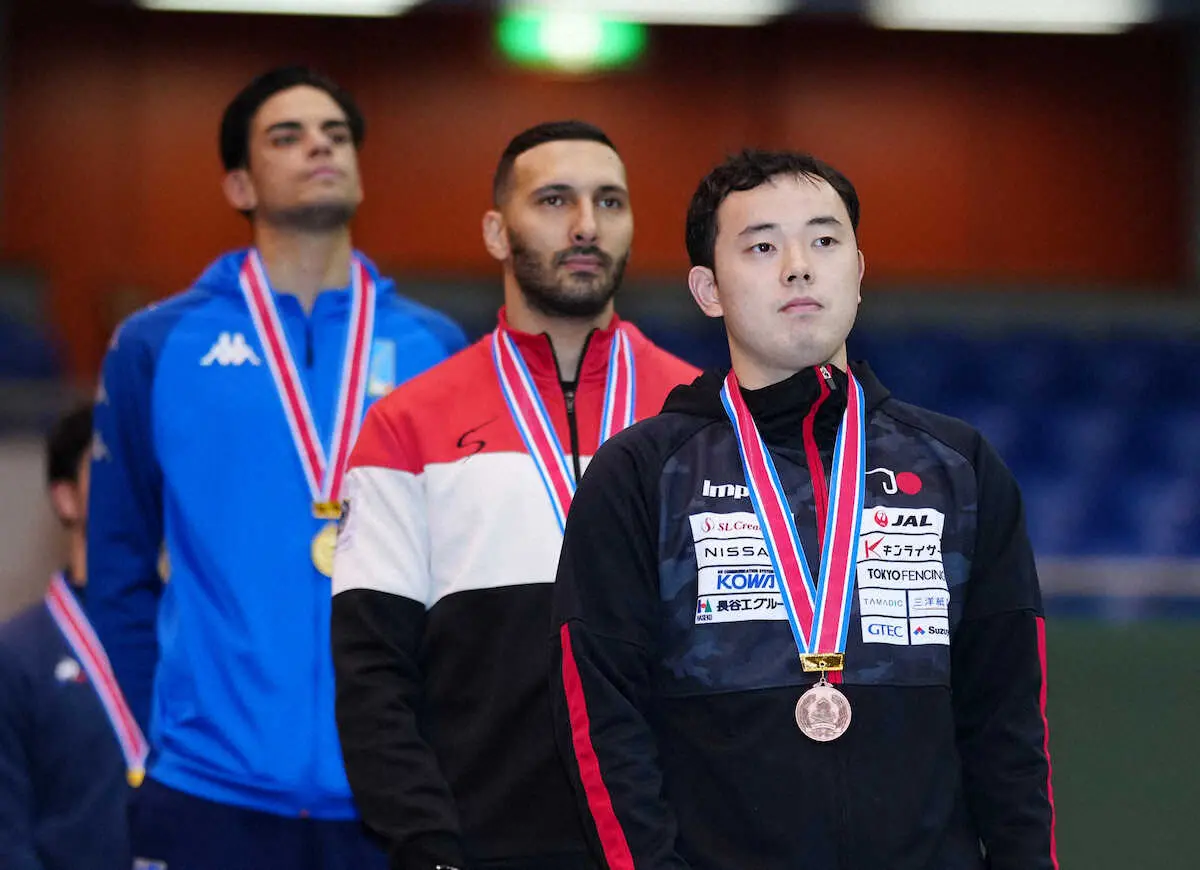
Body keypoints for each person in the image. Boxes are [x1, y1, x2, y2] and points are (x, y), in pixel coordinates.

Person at [551, 149, 1057, 870]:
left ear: (858, 269)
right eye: (761, 246)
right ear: (709, 288)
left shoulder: (959, 468)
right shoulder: (640, 474)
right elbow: (603, 725)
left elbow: (1010, 728)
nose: (798, 265)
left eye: (824, 240)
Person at [87, 66, 467, 870]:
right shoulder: (158, 346)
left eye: (335, 133)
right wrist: (159, 737)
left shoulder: (437, 349)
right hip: (207, 791)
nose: (319, 146)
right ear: (238, 182)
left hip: (390, 793)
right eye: (285, 136)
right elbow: (116, 567)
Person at [330, 120, 699, 870]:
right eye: (555, 200)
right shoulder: (406, 424)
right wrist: (427, 843)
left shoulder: (702, 415)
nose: (587, 225)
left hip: (675, 846)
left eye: (610, 202)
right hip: (482, 845)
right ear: (498, 232)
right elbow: (373, 671)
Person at [0, 405, 135, 870]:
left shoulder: (196, 641)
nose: (130, 486)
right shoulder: (17, 654)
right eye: (106, 467)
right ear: (66, 499)